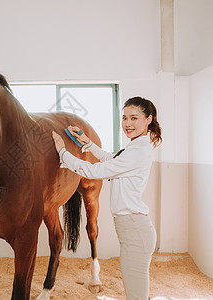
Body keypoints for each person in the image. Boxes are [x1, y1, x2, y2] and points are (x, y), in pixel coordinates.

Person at [52, 96, 162, 300]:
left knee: (136, 296)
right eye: (124, 118)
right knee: (137, 293)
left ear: (148, 119)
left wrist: (62, 152)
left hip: (135, 230)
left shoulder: (138, 150)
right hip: (134, 229)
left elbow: (95, 170)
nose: (127, 123)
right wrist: (88, 143)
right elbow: (113, 159)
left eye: (134, 118)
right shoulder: (136, 147)